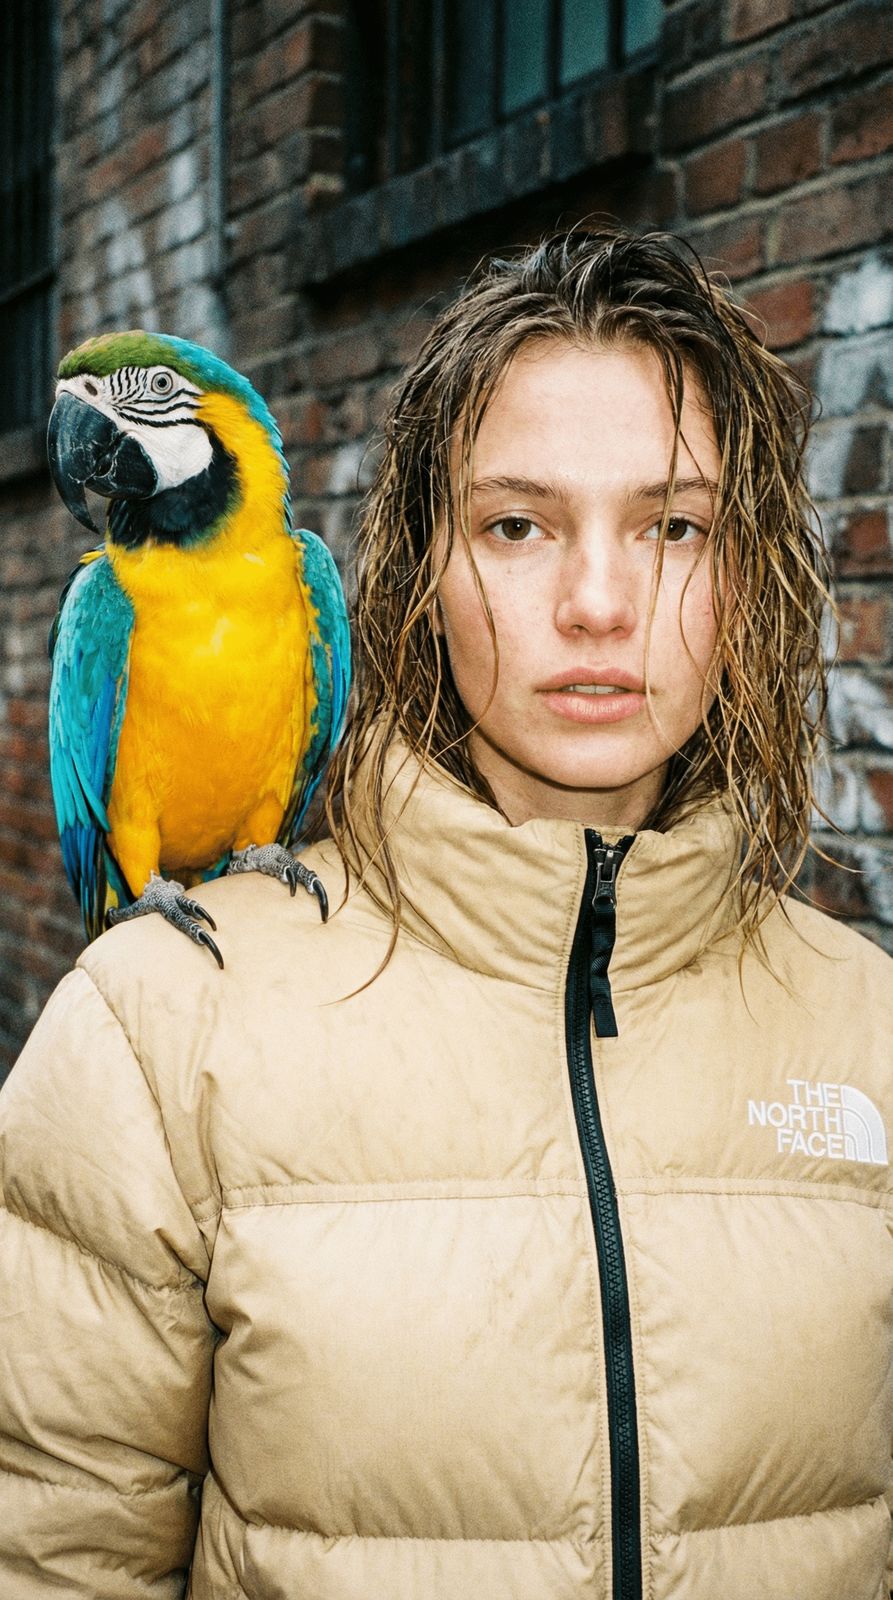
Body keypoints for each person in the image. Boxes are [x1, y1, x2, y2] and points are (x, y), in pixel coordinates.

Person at [1, 228, 891, 1600]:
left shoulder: (867, 1019)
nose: (597, 606)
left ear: (750, 575)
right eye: (516, 526)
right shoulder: (148, 1033)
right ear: (424, 569)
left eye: (673, 526)